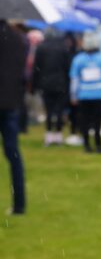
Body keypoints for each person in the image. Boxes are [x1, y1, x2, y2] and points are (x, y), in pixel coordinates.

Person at [70, 32, 101, 154]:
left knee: (84, 120)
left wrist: (73, 95)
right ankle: (98, 144)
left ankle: (87, 145)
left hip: (83, 94)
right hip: (99, 94)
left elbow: (75, 79)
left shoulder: (78, 60)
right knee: (97, 120)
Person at [0, 20, 27, 215]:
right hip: (11, 102)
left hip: (9, 100)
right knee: (13, 154)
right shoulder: (18, 38)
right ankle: (19, 203)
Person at [32, 31, 72, 146]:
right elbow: (67, 67)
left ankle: (49, 135)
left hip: (46, 83)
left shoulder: (41, 48)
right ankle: (58, 135)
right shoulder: (63, 48)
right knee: (59, 110)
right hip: (61, 83)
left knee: (49, 110)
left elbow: (36, 67)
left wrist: (34, 85)